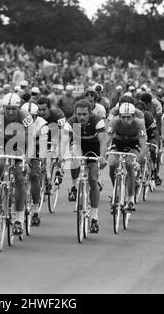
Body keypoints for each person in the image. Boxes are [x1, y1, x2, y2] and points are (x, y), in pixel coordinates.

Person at [0, 93, 33, 235]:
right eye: (8, 109)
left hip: (20, 143)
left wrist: (27, 160)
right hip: (2, 141)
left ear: (18, 108)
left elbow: (30, 141)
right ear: (3, 107)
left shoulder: (25, 115)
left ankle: (18, 219)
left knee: (19, 177)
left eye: (13, 109)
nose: (10, 112)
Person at [62, 99, 106, 233]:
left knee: (93, 179)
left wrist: (103, 156)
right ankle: (76, 185)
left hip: (94, 147)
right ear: (75, 113)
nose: (81, 117)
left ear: (90, 113)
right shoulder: (71, 121)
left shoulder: (97, 120)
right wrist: (60, 156)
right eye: (79, 114)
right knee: (74, 157)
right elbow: (64, 139)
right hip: (78, 144)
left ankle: (94, 217)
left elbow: (103, 140)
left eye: (84, 114)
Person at [106, 102, 146, 212]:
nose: (125, 120)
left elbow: (143, 145)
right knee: (112, 164)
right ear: (119, 116)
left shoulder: (139, 123)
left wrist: (138, 161)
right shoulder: (114, 121)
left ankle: (130, 199)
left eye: (128, 117)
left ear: (134, 117)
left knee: (129, 164)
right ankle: (116, 192)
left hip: (133, 143)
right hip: (118, 141)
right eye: (123, 117)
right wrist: (103, 154)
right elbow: (107, 140)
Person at [21, 102, 48, 226]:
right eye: (28, 116)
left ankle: (36, 210)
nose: (30, 119)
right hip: (21, 145)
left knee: (34, 176)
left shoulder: (42, 124)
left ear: (37, 116)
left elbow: (43, 143)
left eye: (33, 117)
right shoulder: (18, 120)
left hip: (36, 147)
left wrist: (42, 159)